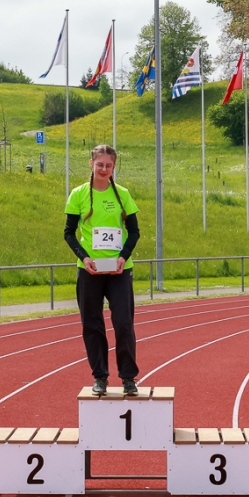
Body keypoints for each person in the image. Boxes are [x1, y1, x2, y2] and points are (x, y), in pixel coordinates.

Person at [64, 144, 140, 396]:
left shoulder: (123, 194)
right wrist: (84, 258)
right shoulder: (78, 194)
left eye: (108, 165)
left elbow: (134, 232)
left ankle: (128, 378)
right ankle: (100, 377)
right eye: (99, 164)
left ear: (114, 166)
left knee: (124, 324)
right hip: (90, 270)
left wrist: (123, 257)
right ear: (91, 164)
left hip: (119, 270)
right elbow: (69, 233)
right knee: (92, 324)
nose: (104, 169)